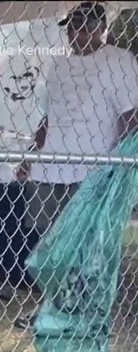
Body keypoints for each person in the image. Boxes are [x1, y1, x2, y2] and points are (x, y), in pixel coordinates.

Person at [13, 1, 138, 329]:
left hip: (91, 169)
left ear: (102, 29)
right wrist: (30, 155)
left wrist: (117, 166)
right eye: (72, 25)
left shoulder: (119, 61)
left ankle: (78, 310)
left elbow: (131, 118)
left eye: (85, 25)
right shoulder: (59, 65)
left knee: (83, 241)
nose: (76, 32)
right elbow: (49, 117)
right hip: (51, 165)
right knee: (50, 242)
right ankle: (51, 306)